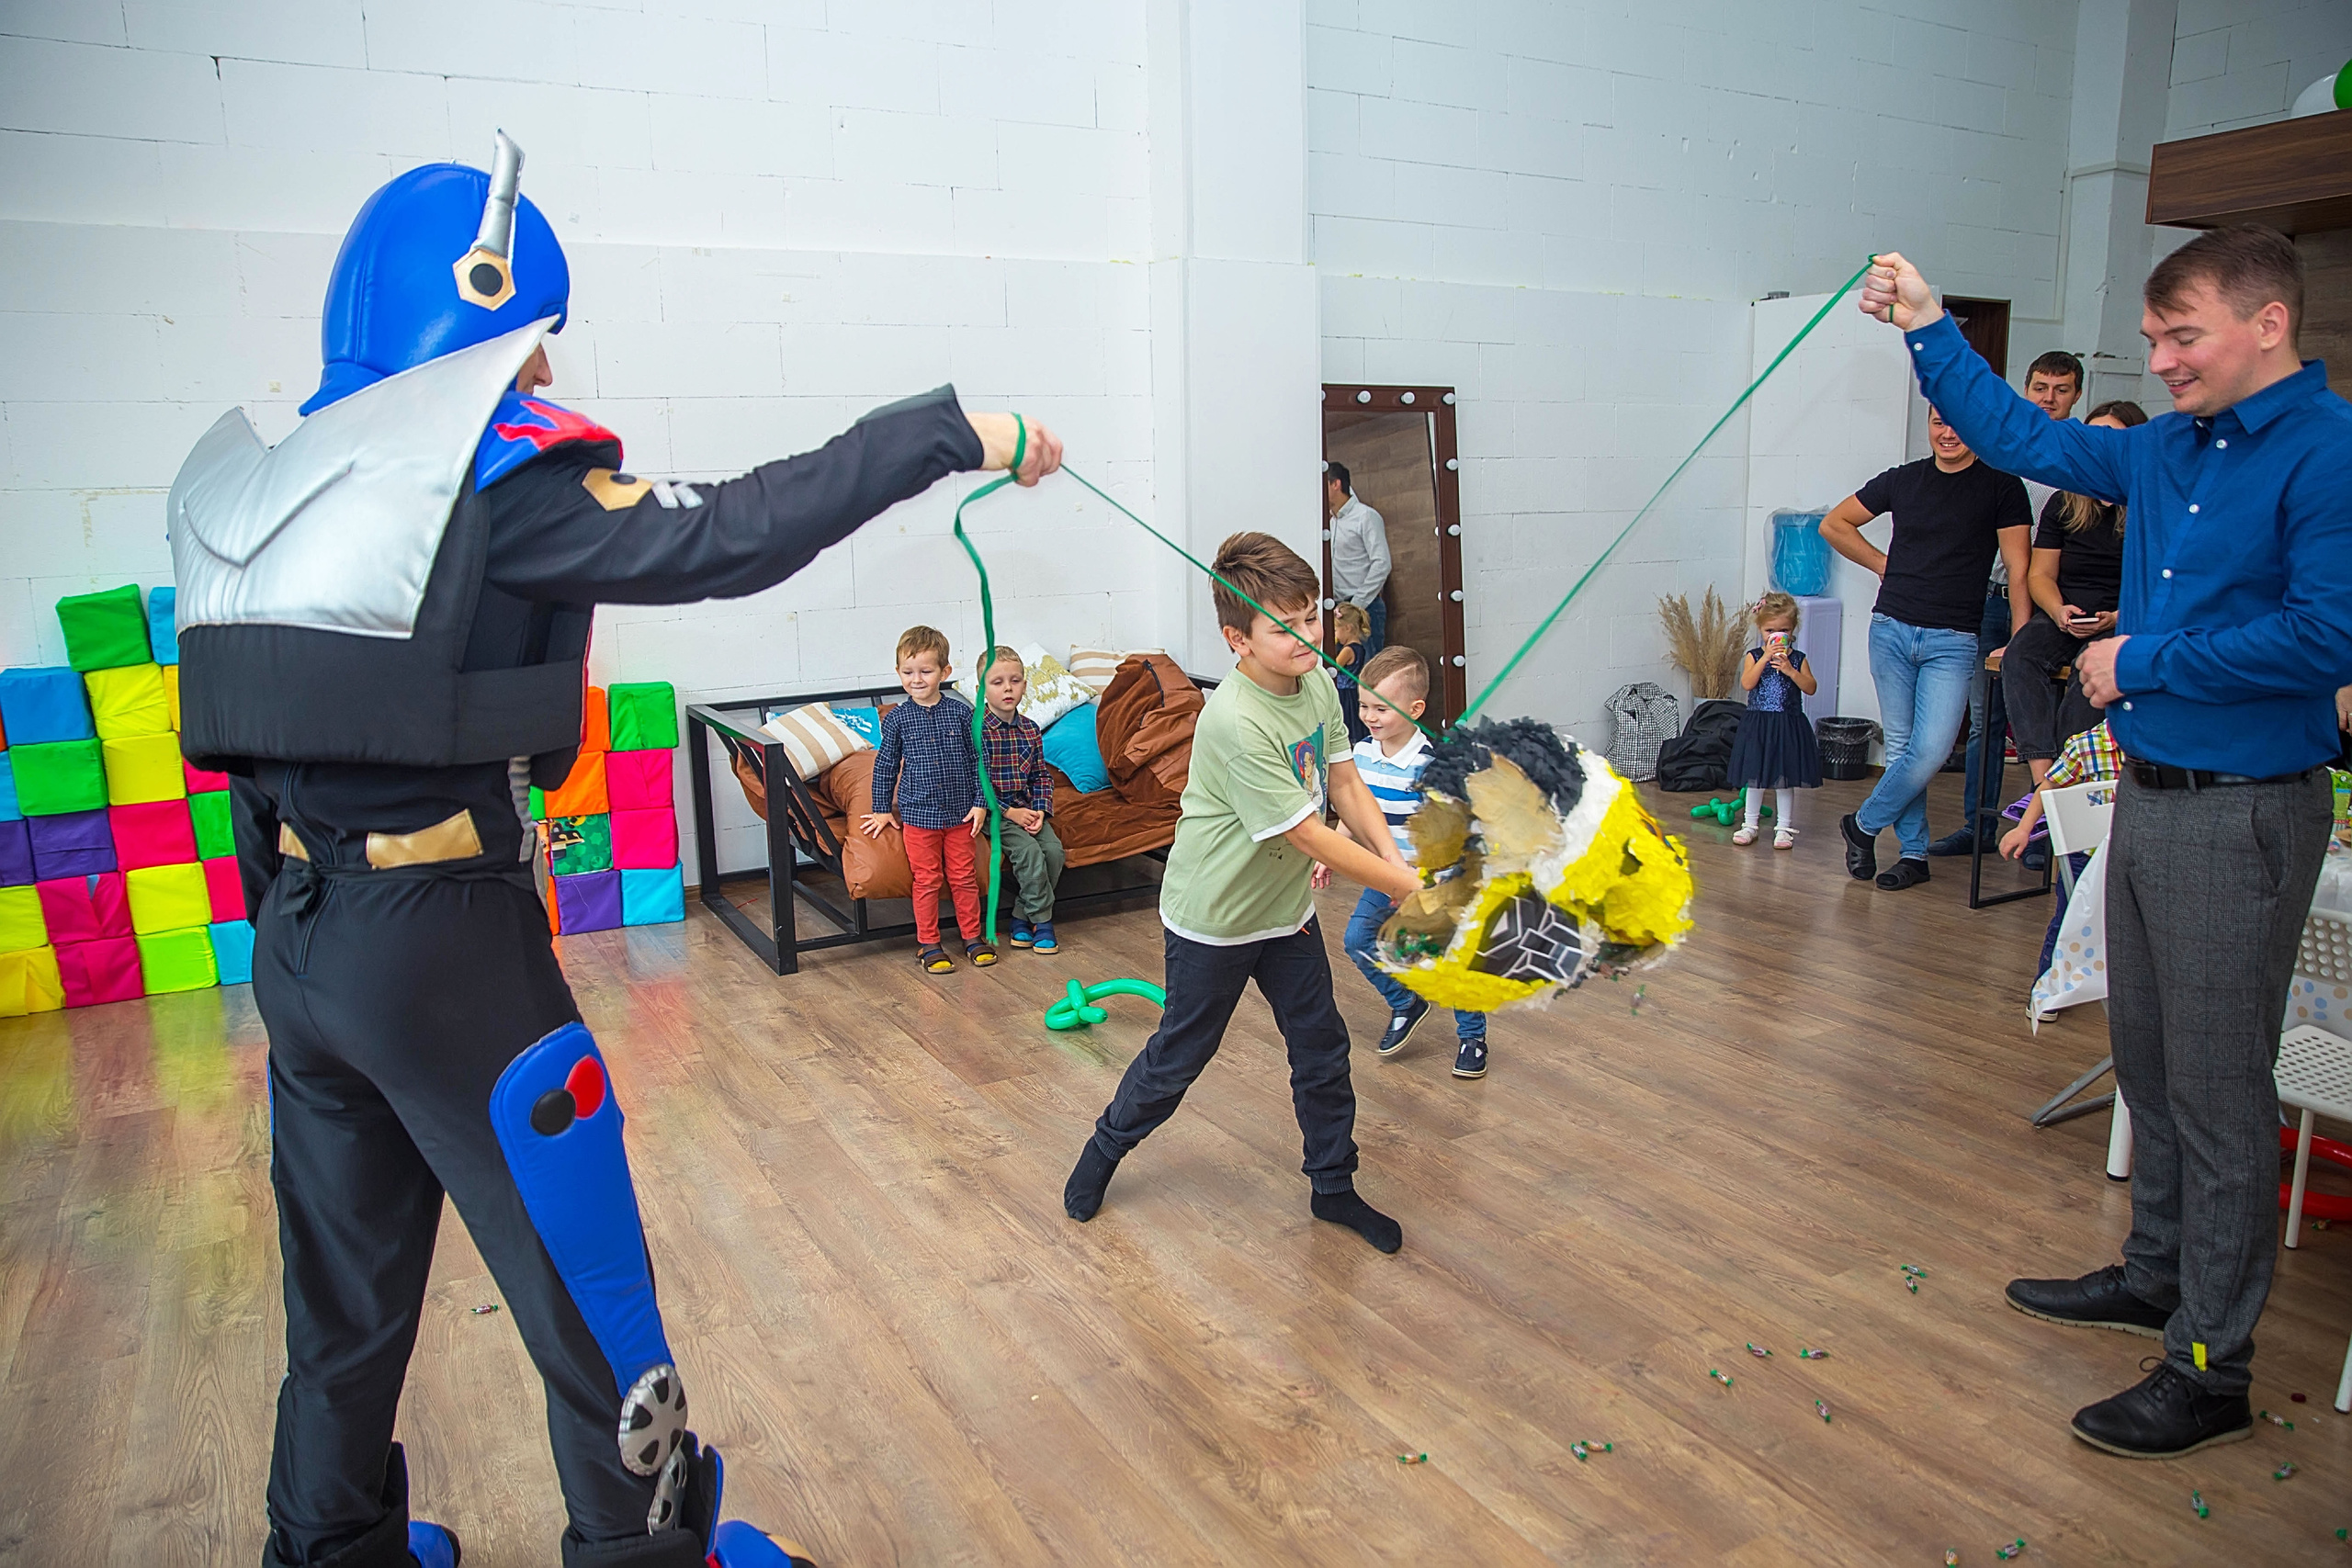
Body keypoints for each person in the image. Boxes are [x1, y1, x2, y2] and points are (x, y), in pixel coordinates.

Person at [170, 134, 1060, 1568]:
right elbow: (731, 533)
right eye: (533, 341)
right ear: (483, 314)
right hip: (445, 948)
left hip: (300, 938)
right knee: (590, 1289)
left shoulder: (260, 494)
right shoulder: (475, 480)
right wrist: (950, 432)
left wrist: (309, 931)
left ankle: (328, 1545)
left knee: (338, 1296)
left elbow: (250, 759)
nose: (541, 371)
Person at [1864, 224, 2352, 1459]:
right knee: (2148, 1055)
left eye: (2183, 336)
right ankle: (2156, 1274)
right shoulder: (2169, 443)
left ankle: (2210, 1367)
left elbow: (2327, 636)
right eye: (2153, 338)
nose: (2162, 359)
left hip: (2245, 806)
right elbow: (2024, 438)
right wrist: (1929, 325)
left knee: (2220, 1091)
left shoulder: (2329, 452)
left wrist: (2143, 660)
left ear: (2268, 325)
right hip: (2155, 794)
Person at [1061, 532, 1423, 1251]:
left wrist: (1395, 859)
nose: (1309, 636)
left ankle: (1333, 1186)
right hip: (1215, 919)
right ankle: (1104, 1147)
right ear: (1238, 639)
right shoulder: (1233, 719)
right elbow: (1310, 836)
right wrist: (1406, 882)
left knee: (1322, 1049)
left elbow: (1344, 780)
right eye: (1285, 626)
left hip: (1284, 911)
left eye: (1313, 615)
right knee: (1180, 1056)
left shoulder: (1315, 681)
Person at [1819, 407, 2032, 890]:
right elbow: (1835, 524)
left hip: (1953, 639)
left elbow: (2019, 570)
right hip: (1891, 629)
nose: (1947, 432)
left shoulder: (2002, 487)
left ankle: (1862, 824)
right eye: (1938, 422)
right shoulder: (1904, 479)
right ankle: (1914, 854)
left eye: (1957, 422)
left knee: (1931, 750)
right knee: (1901, 750)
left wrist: (2019, 638)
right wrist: (1883, 565)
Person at [1932, 351, 2086, 857]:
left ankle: (2046, 831)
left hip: (2052, 606)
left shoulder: (2080, 454)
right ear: (2026, 388)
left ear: (2077, 395)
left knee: (2052, 726)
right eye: (2040, 387)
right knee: (1985, 723)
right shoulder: (2001, 449)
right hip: (1990, 597)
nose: (2049, 398)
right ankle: (1977, 827)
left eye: (2061, 390)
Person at [1327, 646, 1491, 1078]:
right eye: (1364, 705)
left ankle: (1472, 1037)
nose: (1369, 716)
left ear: (1415, 709)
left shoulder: (1430, 765)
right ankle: (1406, 1002)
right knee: (1357, 939)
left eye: (1381, 708)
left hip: (1438, 880)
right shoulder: (1362, 754)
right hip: (1387, 875)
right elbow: (1357, 811)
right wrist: (1332, 850)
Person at [2000, 401, 2150, 789]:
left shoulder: (2153, 504)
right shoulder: (2065, 500)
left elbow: (2161, 583)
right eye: (2092, 437)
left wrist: (2117, 617)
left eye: (2112, 437)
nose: (2101, 446)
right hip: (2066, 611)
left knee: (2089, 669)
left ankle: (2067, 782)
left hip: (2123, 616)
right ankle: (2043, 782)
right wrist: (2058, 610)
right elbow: (2040, 575)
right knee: (2019, 656)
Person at [865, 626, 995, 974]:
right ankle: (928, 943)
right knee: (927, 880)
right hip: (919, 817)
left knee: (964, 877)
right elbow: (885, 765)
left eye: (926, 671)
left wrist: (980, 803)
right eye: (908, 672)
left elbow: (980, 761)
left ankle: (972, 937)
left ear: (944, 672)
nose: (917, 679)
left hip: (960, 815)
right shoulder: (897, 719)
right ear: (898, 673)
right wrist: (880, 809)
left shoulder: (962, 714)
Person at [1998, 718, 2122, 980]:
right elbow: (2049, 787)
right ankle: (2046, 985)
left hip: (2133, 854)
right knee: (2068, 920)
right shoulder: (2086, 745)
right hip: (2087, 855)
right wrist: (2023, 829)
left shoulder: (2157, 744)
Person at [978, 646, 1066, 954]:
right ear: (981, 690)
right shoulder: (976, 731)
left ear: (1025, 686)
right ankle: (1043, 921)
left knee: (1053, 852)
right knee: (1028, 852)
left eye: (1014, 681)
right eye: (997, 682)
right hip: (992, 813)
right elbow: (975, 783)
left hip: (1026, 808)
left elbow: (1041, 776)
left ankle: (1020, 916)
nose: (1007, 688)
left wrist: (1040, 810)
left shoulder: (1030, 729)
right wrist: (1009, 813)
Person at [1726, 592, 1822, 851]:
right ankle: (1750, 824)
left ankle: (1784, 827)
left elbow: (1811, 687)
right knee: (1755, 776)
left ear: (1793, 630)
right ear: (1760, 629)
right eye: (1770, 630)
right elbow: (1747, 683)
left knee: (1784, 777)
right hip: (1759, 725)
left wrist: (1790, 670)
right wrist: (1765, 658)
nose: (1776, 635)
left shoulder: (1798, 659)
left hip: (1787, 725)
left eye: (1783, 630)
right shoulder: (1754, 656)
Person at [1326, 461, 1392, 656]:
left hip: (1365, 608)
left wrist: (1356, 605)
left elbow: (1382, 563)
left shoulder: (1366, 516)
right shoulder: (1330, 523)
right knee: (1344, 671)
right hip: (1339, 610)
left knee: (1368, 669)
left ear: (1336, 484)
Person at [1331, 601, 1372, 742]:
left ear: (1347, 628)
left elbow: (1333, 667)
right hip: (1353, 692)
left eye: (1335, 630)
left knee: (1347, 725)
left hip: (1345, 693)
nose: (1335, 634)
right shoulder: (1359, 647)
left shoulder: (1348, 650)